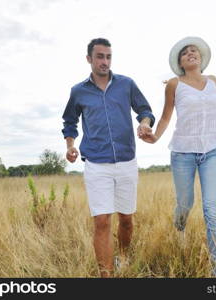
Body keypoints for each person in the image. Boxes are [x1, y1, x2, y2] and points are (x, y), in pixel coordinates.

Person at [140, 36, 216, 277]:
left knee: (212, 209)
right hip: (183, 153)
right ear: (180, 62)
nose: (191, 53)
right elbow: (165, 117)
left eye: (194, 51)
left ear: (201, 58)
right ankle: (179, 229)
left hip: (213, 150)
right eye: (185, 53)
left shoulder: (213, 81)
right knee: (185, 204)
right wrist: (155, 137)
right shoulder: (174, 84)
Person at [61, 38, 155, 277]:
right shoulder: (78, 91)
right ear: (89, 59)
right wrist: (71, 145)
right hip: (96, 164)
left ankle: (123, 257)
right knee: (102, 221)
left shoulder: (126, 84)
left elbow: (145, 111)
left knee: (125, 219)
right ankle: (107, 277)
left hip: (126, 161)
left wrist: (144, 123)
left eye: (108, 56)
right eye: (100, 56)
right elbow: (69, 122)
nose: (105, 61)